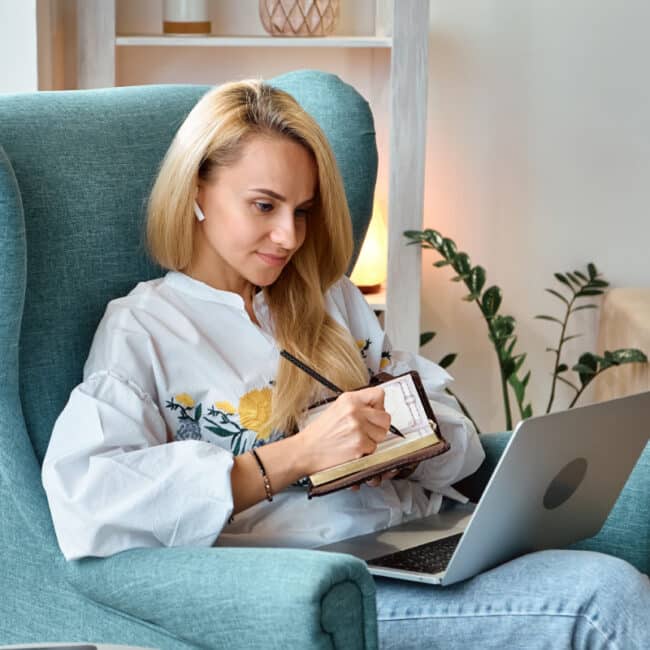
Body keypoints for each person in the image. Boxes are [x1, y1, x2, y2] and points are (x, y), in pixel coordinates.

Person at [42, 80, 649, 649]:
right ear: (197, 189)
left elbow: (461, 450)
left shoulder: (331, 299)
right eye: (263, 206)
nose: (288, 236)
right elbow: (91, 499)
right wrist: (297, 457)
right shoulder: (146, 327)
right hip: (317, 582)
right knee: (603, 598)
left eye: (302, 211)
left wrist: (408, 437)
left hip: (420, 542)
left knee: (611, 574)